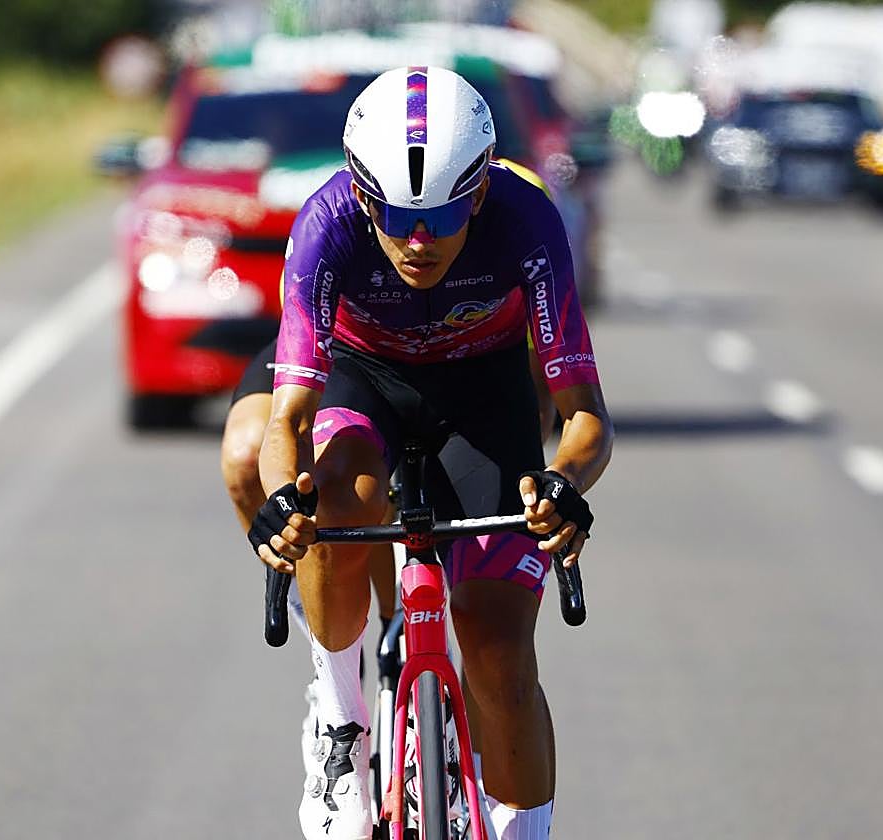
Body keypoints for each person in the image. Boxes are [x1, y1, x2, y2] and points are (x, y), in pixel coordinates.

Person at [248, 66, 613, 840]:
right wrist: (285, 499)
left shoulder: (525, 218)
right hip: (363, 373)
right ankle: (341, 720)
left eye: (444, 217)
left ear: (478, 193)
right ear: (360, 193)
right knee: (336, 488)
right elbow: (289, 418)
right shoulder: (328, 222)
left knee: (498, 650)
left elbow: (584, 416)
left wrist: (565, 482)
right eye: (396, 216)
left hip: (483, 392)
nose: (419, 242)